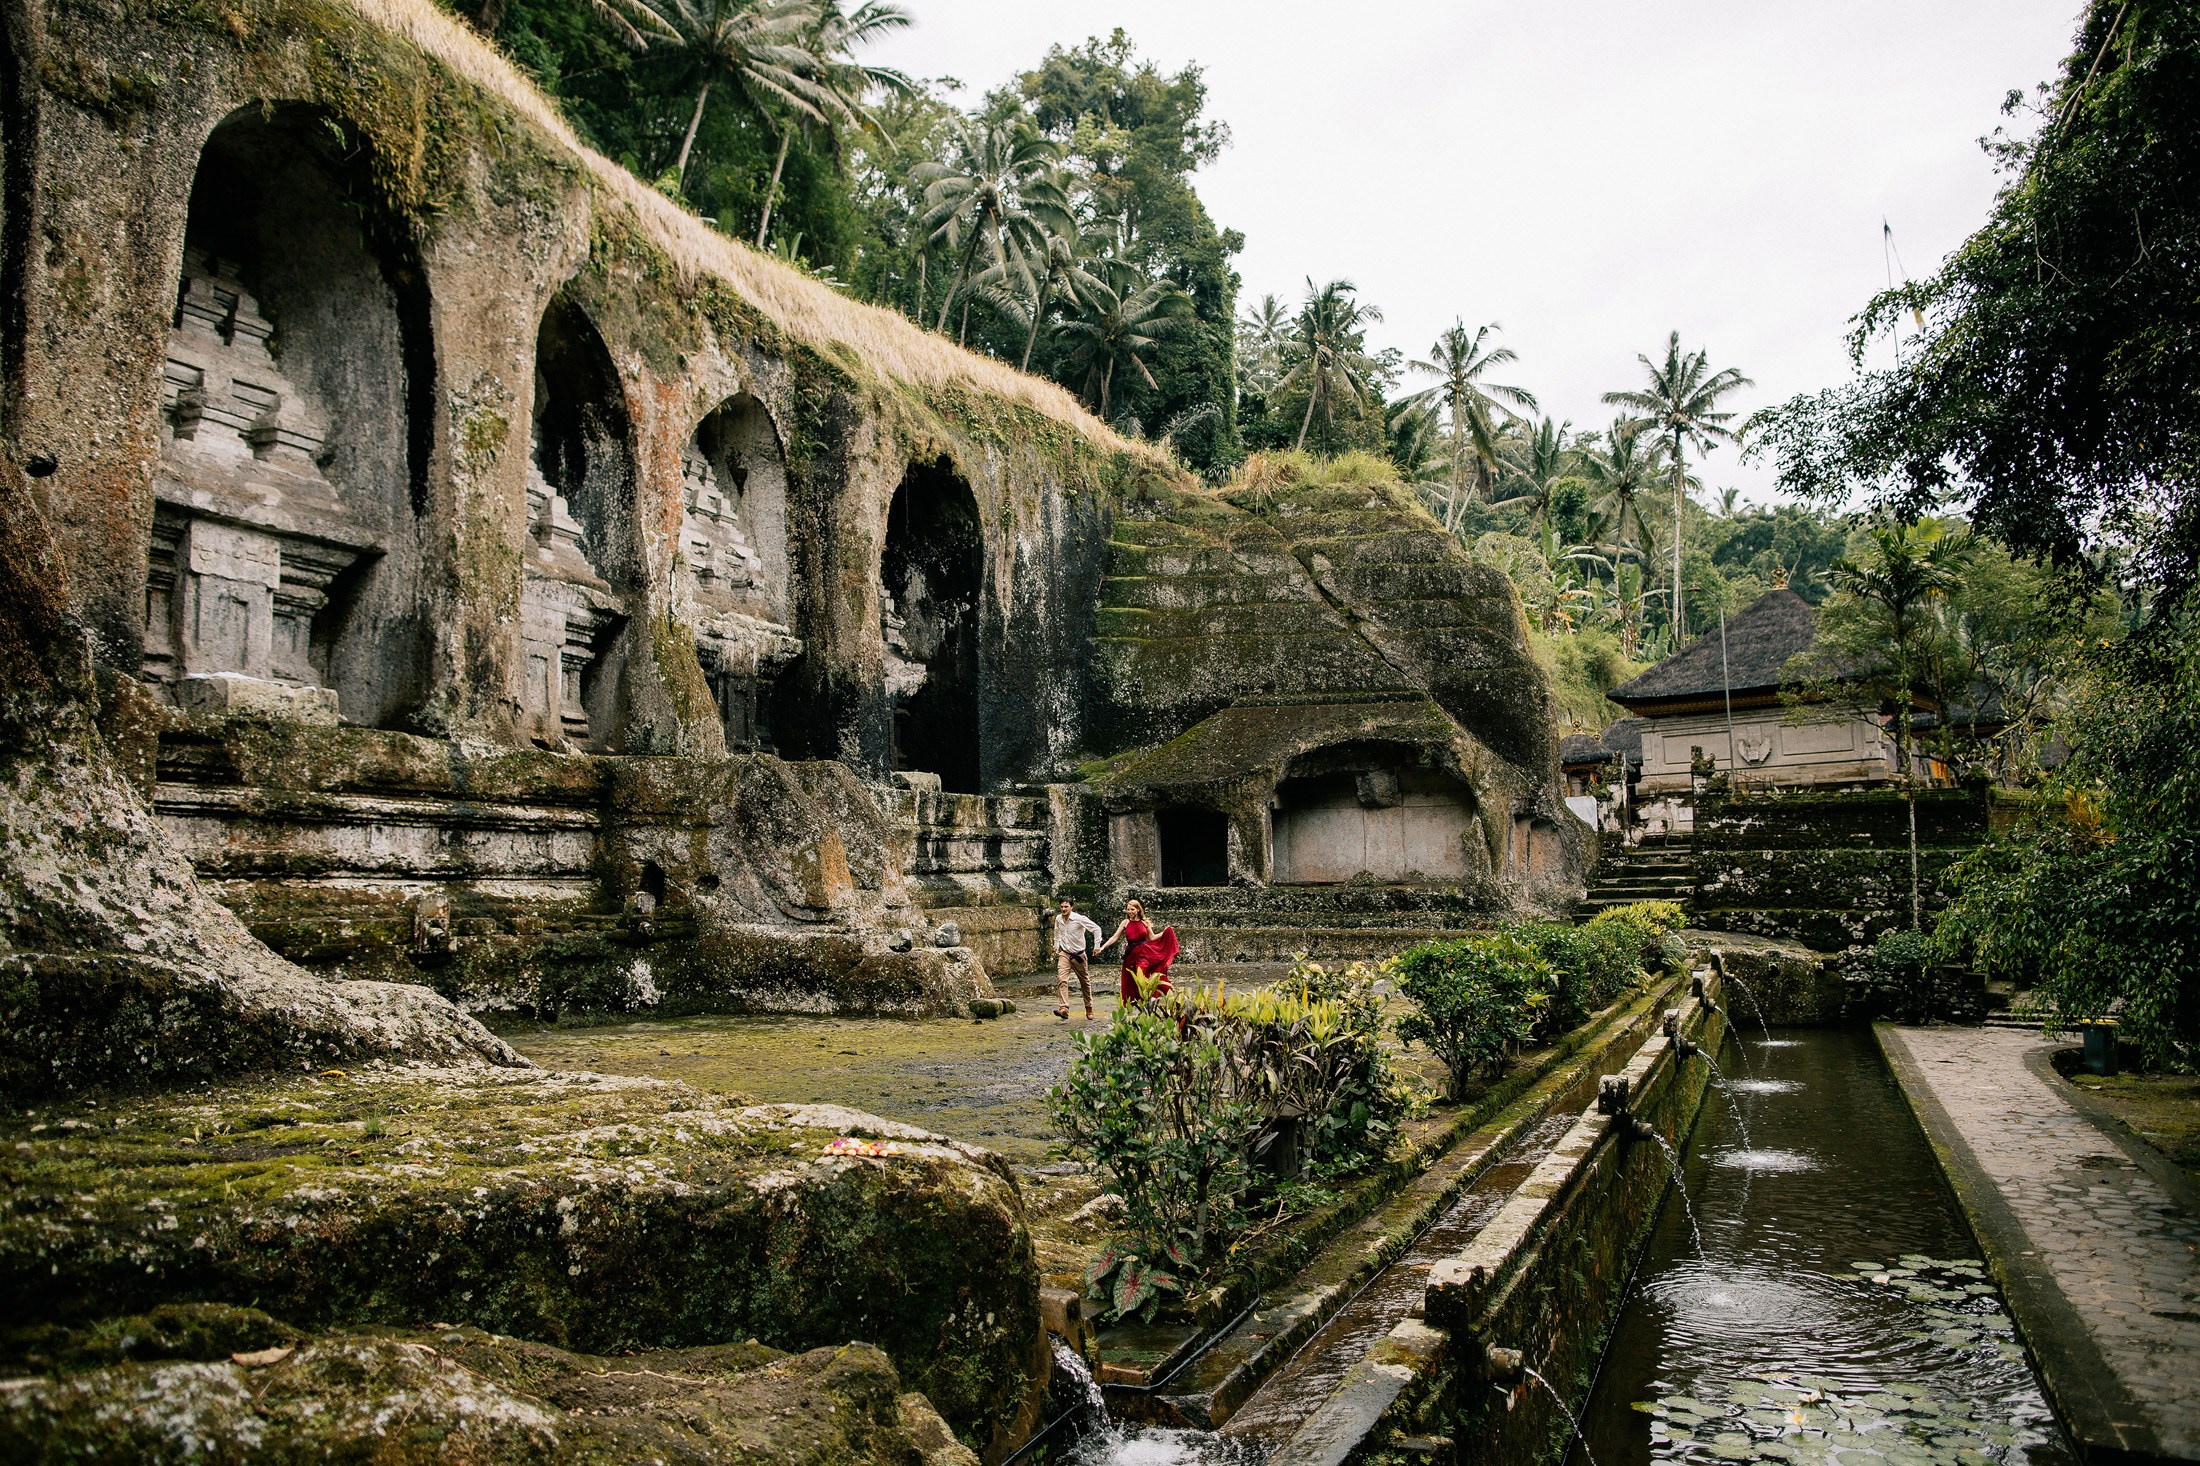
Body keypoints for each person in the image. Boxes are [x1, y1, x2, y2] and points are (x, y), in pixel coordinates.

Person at [1098, 898, 1179, 1005]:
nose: (1130, 912)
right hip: (1130, 954)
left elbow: (1152, 937)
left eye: (1132, 909)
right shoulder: (1125, 922)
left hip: (1144, 952)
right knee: (1131, 977)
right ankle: (1136, 1000)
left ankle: (1150, 997)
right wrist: (1103, 947)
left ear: (1138, 910)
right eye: (1128, 910)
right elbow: (1114, 937)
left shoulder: (1144, 922)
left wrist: (1165, 931)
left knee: (1142, 971)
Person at [1050, 897, 1103, 1021]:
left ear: (1071, 907)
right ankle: (1064, 1008)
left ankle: (1089, 1008)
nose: (1063, 909)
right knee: (1061, 979)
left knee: (1084, 982)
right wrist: (1056, 945)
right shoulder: (1058, 918)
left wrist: (1096, 946)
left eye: (1066, 907)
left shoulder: (1079, 919)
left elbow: (1096, 929)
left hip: (1079, 955)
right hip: (1065, 953)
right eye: (1062, 907)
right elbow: (1057, 931)